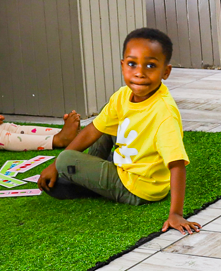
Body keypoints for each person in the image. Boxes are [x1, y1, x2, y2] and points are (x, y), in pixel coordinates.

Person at [36, 27, 200, 235]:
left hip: (139, 188)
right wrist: (52, 166)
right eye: (132, 64)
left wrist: (175, 213)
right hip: (125, 165)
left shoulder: (164, 113)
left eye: (150, 66)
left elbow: (177, 165)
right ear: (123, 65)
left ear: (165, 72)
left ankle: (85, 181)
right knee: (104, 125)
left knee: (66, 159)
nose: (139, 72)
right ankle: (86, 178)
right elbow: (93, 130)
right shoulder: (122, 96)